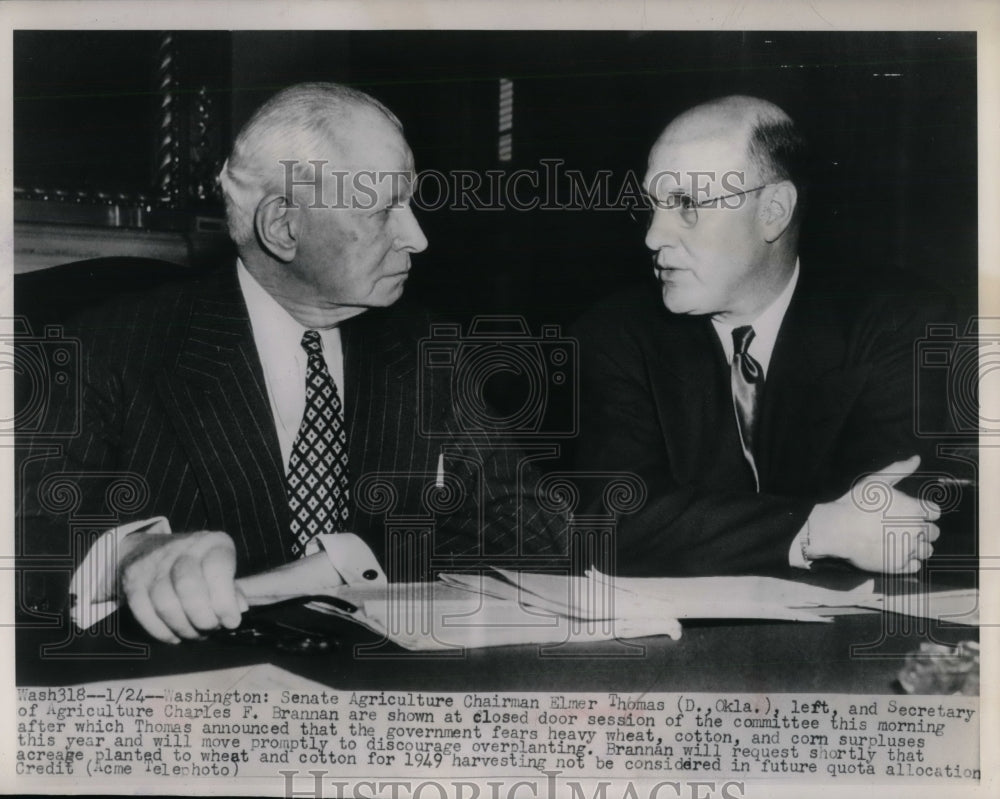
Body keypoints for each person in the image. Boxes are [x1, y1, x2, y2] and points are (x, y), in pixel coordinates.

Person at [18, 83, 565, 644]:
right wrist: (130, 554)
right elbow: (28, 530)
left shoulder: (426, 348)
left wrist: (348, 563)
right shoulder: (111, 347)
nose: (418, 238)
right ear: (283, 227)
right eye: (383, 210)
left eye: (410, 203)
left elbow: (536, 533)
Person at [573, 95, 947, 577]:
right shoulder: (614, 334)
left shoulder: (895, 320)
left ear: (773, 210)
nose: (652, 237)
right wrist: (818, 530)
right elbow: (612, 520)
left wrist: (709, 528)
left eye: (686, 205)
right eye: (652, 206)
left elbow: (896, 512)